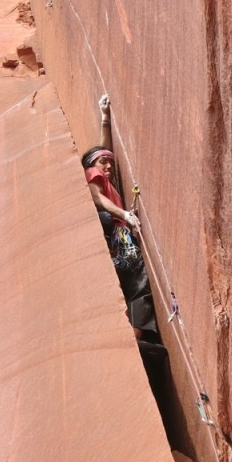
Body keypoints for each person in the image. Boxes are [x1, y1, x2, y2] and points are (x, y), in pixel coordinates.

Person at [81, 95, 161, 345]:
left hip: (115, 234)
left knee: (128, 280)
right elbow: (97, 198)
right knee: (137, 278)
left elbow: (105, 151)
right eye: (103, 163)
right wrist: (124, 214)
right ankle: (136, 333)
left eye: (111, 164)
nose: (109, 167)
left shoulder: (101, 171)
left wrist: (105, 119)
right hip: (117, 234)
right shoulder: (92, 173)